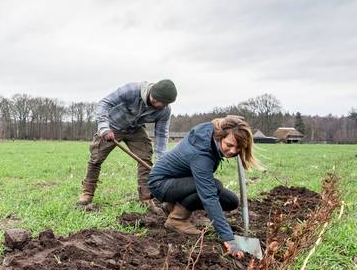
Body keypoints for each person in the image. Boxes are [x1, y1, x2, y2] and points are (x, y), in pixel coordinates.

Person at [147, 115, 260, 258]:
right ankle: (177, 220)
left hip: (180, 180)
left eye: (238, 148)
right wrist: (229, 238)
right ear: (220, 137)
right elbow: (208, 197)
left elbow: (228, 123)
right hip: (161, 184)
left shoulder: (213, 132)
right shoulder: (201, 154)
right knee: (213, 187)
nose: (233, 151)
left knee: (231, 201)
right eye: (229, 145)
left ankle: (172, 206)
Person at [77, 80, 177, 208]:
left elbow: (162, 134)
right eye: (156, 100)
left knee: (145, 159)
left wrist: (161, 160)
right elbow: (104, 103)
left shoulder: (164, 111)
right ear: (151, 92)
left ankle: (146, 198)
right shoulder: (131, 90)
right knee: (96, 158)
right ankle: (87, 193)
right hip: (112, 126)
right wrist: (104, 127)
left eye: (163, 103)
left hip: (135, 129)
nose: (158, 104)